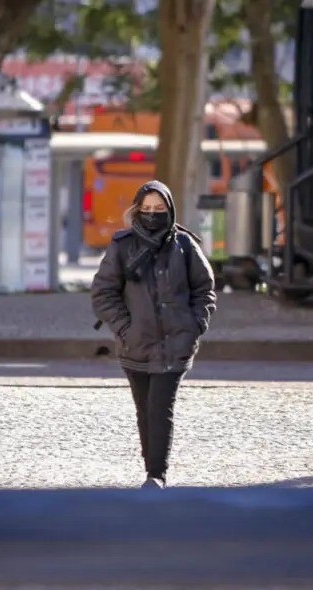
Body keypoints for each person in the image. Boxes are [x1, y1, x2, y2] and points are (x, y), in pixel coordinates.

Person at [91, 180, 217, 489]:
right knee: (144, 410)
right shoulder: (122, 246)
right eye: (146, 209)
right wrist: (125, 329)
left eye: (159, 209)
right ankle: (152, 468)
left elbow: (205, 290)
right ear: (136, 210)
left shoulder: (186, 246)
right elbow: (103, 293)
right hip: (135, 345)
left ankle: (156, 475)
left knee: (161, 408)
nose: (152, 215)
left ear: (170, 210)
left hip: (176, 344)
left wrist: (194, 325)